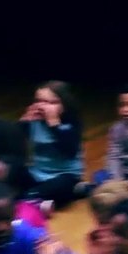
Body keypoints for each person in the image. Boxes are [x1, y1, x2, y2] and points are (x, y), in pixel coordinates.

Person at [20, 80, 84, 208]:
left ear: (64, 105)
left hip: (64, 175)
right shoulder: (34, 121)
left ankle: (30, 198)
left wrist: (54, 124)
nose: (41, 106)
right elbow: (14, 143)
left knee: (61, 187)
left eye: (50, 102)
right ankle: (37, 200)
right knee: (11, 171)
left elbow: (69, 151)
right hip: (37, 173)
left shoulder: (69, 125)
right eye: (38, 101)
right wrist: (23, 122)